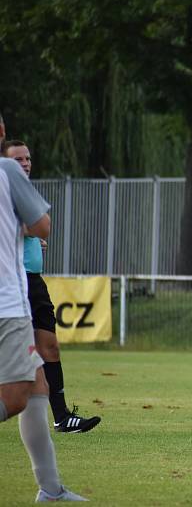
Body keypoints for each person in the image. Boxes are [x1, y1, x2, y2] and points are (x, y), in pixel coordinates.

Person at [0, 154, 88, 501]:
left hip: (14, 297)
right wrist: (20, 226)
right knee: (17, 394)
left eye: (29, 158)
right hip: (8, 302)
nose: (24, 163)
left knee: (37, 385)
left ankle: (50, 489)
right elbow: (43, 225)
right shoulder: (6, 172)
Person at [3, 140, 101, 432]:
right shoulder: (5, 188)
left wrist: (30, 237)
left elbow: (34, 227)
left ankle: (62, 416)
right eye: (17, 159)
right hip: (11, 285)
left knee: (50, 347)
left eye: (28, 158)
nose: (25, 163)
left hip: (33, 282)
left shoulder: (25, 191)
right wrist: (28, 230)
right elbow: (36, 224)